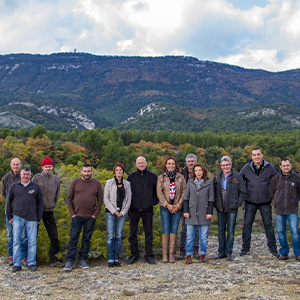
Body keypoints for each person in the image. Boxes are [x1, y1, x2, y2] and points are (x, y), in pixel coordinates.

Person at [64, 163, 103, 271]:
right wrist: (72, 214)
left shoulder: (97, 184)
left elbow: (100, 200)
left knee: (86, 239)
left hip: (90, 217)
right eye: (85, 171)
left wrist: (95, 215)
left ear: (92, 172)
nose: (87, 173)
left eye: (89, 171)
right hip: (77, 216)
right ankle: (70, 261)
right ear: (81, 171)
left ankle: (82, 260)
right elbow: (69, 198)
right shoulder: (75, 182)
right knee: (73, 239)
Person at [240, 147, 278, 257]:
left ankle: (273, 249)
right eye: (254, 155)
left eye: (258, 154)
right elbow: (240, 181)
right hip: (250, 201)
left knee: (268, 226)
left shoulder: (269, 167)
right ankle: (245, 248)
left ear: (262, 155)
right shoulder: (246, 167)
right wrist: (243, 195)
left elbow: (275, 181)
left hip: (265, 201)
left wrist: (272, 196)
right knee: (247, 225)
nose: (256, 157)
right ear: (251, 156)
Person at [6, 167, 44, 272]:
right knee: (16, 241)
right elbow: (8, 202)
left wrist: (38, 218)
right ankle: (17, 264)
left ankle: (31, 263)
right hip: (17, 217)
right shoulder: (14, 187)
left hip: (32, 218)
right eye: (24, 174)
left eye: (27, 174)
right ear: (20, 175)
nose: (26, 176)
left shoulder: (35, 187)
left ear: (30, 175)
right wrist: (10, 217)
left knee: (32, 242)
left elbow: (40, 203)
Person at [213, 156, 247, 261]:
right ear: (221, 166)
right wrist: (216, 204)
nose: (225, 167)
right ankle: (221, 252)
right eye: (223, 165)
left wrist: (237, 203)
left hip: (232, 208)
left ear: (231, 165)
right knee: (220, 231)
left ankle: (228, 252)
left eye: (227, 164)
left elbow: (243, 192)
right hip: (220, 208)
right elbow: (213, 193)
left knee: (231, 232)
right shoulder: (217, 177)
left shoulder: (237, 177)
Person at [32, 157, 63, 267]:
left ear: (52, 167)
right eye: (46, 167)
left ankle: (53, 259)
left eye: (49, 166)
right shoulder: (36, 178)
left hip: (49, 210)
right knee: (32, 236)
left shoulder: (56, 179)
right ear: (42, 167)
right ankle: (32, 259)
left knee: (54, 235)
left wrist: (53, 204)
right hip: (36, 211)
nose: (48, 168)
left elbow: (57, 194)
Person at [127, 156, 158, 265]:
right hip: (134, 209)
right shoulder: (131, 177)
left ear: (146, 163)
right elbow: (127, 193)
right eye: (139, 163)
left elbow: (157, 192)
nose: (141, 164)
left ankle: (148, 255)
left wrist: (152, 202)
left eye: (143, 163)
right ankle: (134, 254)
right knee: (132, 233)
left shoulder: (153, 177)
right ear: (136, 164)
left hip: (148, 209)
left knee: (148, 233)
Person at [269, 158, 300, 261]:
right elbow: (271, 192)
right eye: (284, 166)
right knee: (281, 232)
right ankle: (284, 252)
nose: (286, 167)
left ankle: (297, 253)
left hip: (292, 210)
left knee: (294, 232)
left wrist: (295, 202)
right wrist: (277, 201)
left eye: (288, 165)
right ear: (280, 167)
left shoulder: (297, 178)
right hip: (279, 210)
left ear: (291, 166)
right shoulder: (276, 178)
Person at [157, 156, 186, 263]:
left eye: (173, 164)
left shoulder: (181, 177)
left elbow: (184, 192)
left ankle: (172, 255)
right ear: (165, 165)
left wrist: (178, 205)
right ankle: (165, 255)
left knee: (174, 229)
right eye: (169, 163)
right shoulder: (161, 178)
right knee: (166, 229)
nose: (171, 165)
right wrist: (167, 205)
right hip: (165, 207)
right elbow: (159, 193)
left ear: (176, 165)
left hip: (177, 207)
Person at [183, 163, 213, 263]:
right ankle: (188, 255)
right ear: (194, 172)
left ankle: (202, 254)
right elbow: (186, 198)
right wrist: (186, 211)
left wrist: (209, 212)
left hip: (204, 212)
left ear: (203, 171)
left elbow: (211, 199)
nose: (198, 172)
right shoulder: (190, 182)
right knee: (189, 236)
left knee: (203, 236)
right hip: (191, 213)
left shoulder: (209, 182)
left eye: (200, 170)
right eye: (196, 171)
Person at [104, 163, 132, 267]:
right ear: (114, 172)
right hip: (111, 212)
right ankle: (110, 259)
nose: (119, 172)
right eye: (117, 170)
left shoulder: (127, 184)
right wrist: (114, 211)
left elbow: (129, 199)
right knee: (111, 236)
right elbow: (106, 198)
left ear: (123, 172)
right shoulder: (109, 183)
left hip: (122, 213)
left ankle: (116, 258)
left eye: (121, 170)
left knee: (119, 236)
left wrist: (123, 212)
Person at [1, 157, 27, 266]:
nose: (16, 166)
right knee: (10, 235)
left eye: (17, 164)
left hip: (23, 211)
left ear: (20, 165)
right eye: (14, 164)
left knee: (23, 236)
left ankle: (24, 257)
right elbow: (3, 193)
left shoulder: (24, 176)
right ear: (10, 165)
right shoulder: (6, 178)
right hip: (10, 211)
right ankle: (12, 257)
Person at [179, 154, 200, 260]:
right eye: (189, 161)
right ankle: (182, 249)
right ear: (186, 163)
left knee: (196, 227)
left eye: (192, 161)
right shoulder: (181, 173)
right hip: (184, 203)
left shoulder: (200, 171)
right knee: (183, 227)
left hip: (197, 204)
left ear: (195, 162)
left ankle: (195, 249)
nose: (191, 163)